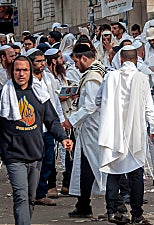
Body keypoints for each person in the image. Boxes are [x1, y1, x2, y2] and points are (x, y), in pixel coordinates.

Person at [0, 56, 73, 225]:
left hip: (35, 154)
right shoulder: (5, 95)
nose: (21, 74)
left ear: (30, 72)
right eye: (17, 70)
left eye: (25, 70)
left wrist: (63, 138)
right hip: (14, 155)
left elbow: (52, 120)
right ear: (12, 72)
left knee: (30, 198)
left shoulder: (39, 93)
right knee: (21, 197)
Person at [97, 45, 154, 224]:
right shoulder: (142, 78)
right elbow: (149, 107)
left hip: (112, 131)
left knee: (113, 171)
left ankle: (112, 211)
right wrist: (153, 129)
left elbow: (98, 100)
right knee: (136, 173)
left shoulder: (110, 77)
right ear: (137, 59)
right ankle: (137, 214)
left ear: (121, 59)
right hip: (135, 132)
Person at [63, 44, 107, 218]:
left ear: (83, 58)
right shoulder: (97, 71)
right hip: (90, 128)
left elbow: (91, 105)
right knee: (85, 166)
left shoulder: (92, 77)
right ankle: (83, 204)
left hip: (93, 128)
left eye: (75, 61)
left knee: (94, 166)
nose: (75, 65)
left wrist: (71, 121)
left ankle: (114, 204)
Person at [26, 49, 66, 206]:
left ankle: (40, 193)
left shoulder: (49, 78)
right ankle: (30, 192)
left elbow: (55, 101)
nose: (42, 64)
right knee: (33, 162)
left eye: (43, 61)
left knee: (48, 161)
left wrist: (60, 120)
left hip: (48, 127)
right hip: (33, 128)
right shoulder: (27, 80)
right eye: (38, 61)